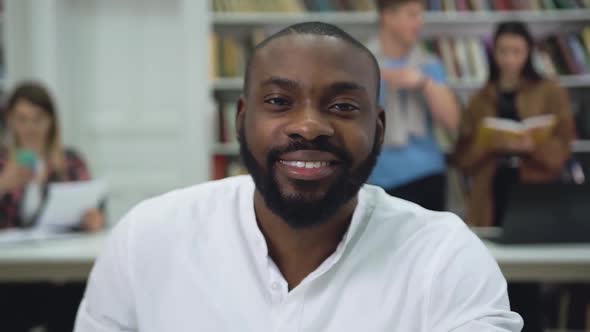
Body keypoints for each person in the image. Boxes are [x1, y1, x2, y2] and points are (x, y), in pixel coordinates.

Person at [75, 22, 522, 331]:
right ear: (241, 121)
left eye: (344, 106)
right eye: (278, 101)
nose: (308, 126)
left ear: (378, 128)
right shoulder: (147, 241)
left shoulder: (444, 257)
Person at [452, 22, 575, 332]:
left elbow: (563, 146)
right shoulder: (482, 96)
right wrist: (490, 144)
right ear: (495, 54)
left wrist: (531, 145)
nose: (509, 59)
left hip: (536, 191)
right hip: (492, 191)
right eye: (504, 51)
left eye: (516, 51)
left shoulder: (549, 91)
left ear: (528, 52)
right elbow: (462, 158)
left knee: (533, 277)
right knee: (495, 274)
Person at [0, 81, 105, 332]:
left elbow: (92, 210)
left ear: (51, 122)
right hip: (12, 273)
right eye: (21, 119)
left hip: (61, 271)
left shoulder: (70, 161)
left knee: (78, 299)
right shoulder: (3, 162)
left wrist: (93, 220)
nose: (29, 128)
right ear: (10, 121)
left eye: (38, 119)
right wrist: (3, 184)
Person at [367, 0, 461, 211]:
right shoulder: (361, 65)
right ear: (388, 17)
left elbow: (453, 122)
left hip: (427, 176)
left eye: (421, 15)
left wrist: (424, 83)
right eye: (412, 15)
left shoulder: (429, 64)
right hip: (376, 181)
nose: (420, 22)